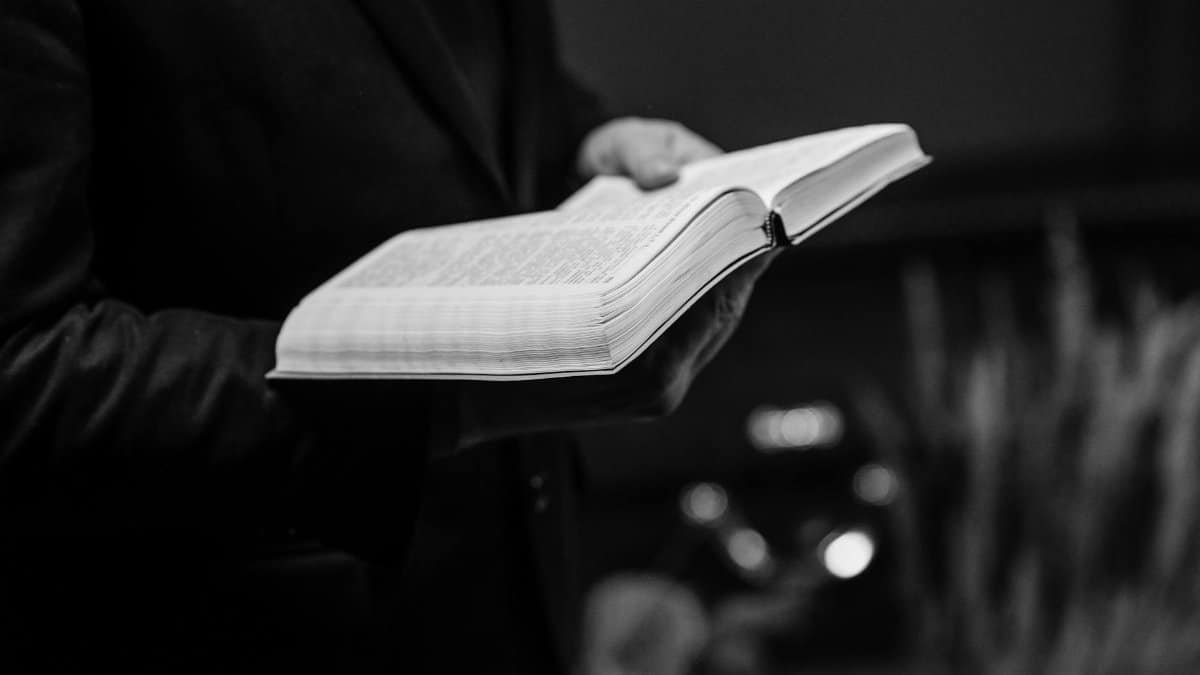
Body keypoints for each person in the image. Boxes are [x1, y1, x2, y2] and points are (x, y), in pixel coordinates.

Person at [0, 1, 774, 672]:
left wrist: (585, 144)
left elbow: (461, 98)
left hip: (525, 599)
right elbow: (22, 369)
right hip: (251, 632)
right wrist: (449, 397)